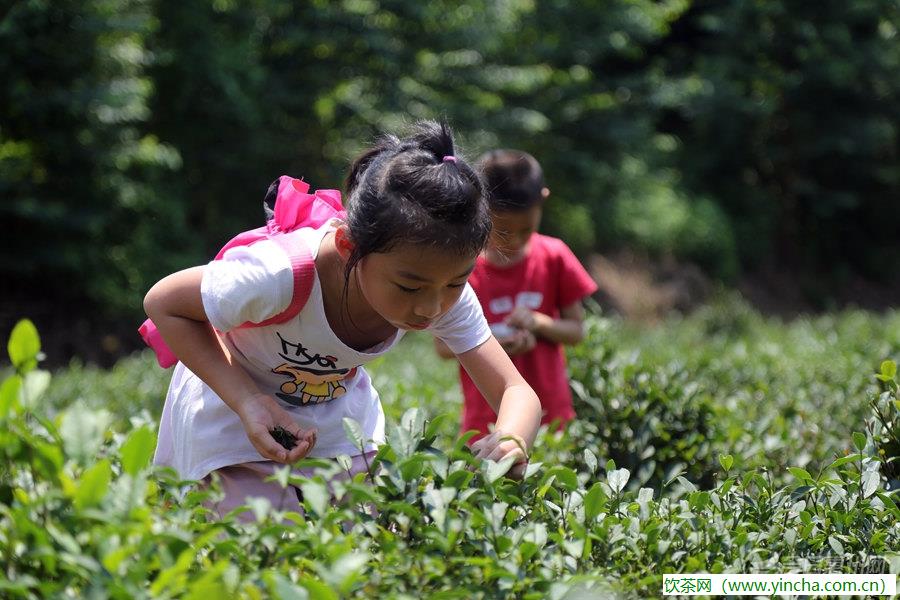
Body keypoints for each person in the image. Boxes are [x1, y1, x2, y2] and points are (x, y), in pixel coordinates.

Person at [143, 122, 542, 517]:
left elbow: (515, 391)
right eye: (408, 287)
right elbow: (164, 303)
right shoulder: (280, 274)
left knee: (353, 545)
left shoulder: (439, 288)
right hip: (232, 407)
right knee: (257, 541)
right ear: (348, 246)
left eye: (458, 281)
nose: (431, 308)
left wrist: (511, 438)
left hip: (334, 421)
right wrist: (248, 400)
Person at [435, 149, 597, 439]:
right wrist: (494, 344)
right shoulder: (463, 269)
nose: (514, 241)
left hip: (551, 413)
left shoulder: (555, 256)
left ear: (542, 200)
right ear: (480, 212)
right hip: (486, 417)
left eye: (525, 230)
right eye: (503, 232)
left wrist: (539, 323)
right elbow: (443, 347)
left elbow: (576, 331)